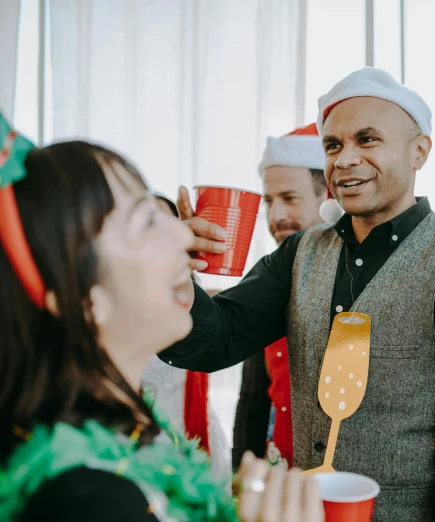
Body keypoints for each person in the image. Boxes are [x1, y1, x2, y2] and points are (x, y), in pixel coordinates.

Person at [162, 67, 435, 522]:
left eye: (367, 140)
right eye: (333, 145)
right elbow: (214, 339)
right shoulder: (300, 254)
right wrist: (173, 268)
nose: (345, 159)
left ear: (419, 152)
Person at [0, 113, 321, 522]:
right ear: (84, 300)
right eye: (148, 222)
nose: (186, 235)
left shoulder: (136, 435)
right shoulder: (88, 498)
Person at [233, 123, 327, 470]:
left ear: (328, 195)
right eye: (269, 201)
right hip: (276, 475)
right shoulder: (268, 279)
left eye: (290, 198)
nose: (276, 217)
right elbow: (253, 396)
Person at [140, 193, 232, 479]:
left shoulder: (193, 302)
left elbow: (226, 312)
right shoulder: (122, 312)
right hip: (148, 440)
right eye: (148, 224)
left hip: (199, 430)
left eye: (169, 225)